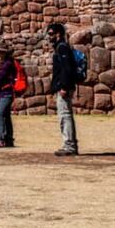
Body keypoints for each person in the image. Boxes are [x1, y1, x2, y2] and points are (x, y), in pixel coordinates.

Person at [47, 23, 79, 156]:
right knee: (65, 115)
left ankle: (69, 145)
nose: (49, 37)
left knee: (65, 116)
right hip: (62, 86)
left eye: (50, 34)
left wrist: (64, 86)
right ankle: (70, 144)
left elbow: (67, 68)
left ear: (58, 34)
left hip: (64, 87)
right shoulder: (61, 47)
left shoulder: (62, 47)